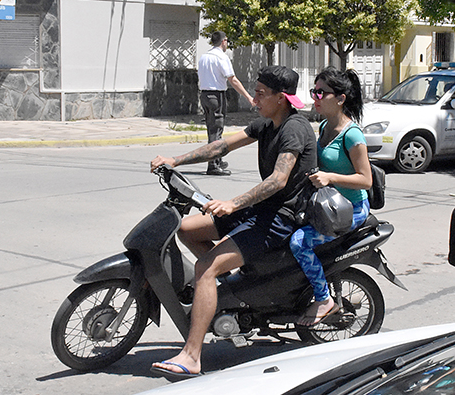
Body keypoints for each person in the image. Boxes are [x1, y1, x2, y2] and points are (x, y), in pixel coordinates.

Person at [149, 65, 317, 379]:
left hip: (281, 218)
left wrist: (233, 203)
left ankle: (192, 356)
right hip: (261, 210)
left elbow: (279, 180)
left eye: (260, 94)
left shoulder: (294, 128)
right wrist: (176, 159)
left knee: (205, 267)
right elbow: (223, 145)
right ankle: (226, 288)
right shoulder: (267, 123)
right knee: (185, 229)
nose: (254, 99)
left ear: (281, 98)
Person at [290, 66, 372, 326]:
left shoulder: (352, 134)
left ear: (340, 99)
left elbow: (365, 179)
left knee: (299, 242)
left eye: (321, 93)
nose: (315, 97)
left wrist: (331, 177)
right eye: (314, 91)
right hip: (328, 206)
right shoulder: (324, 125)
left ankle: (324, 298)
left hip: (352, 209)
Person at [198, 31, 255, 176]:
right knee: (216, 131)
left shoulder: (204, 57)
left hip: (204, 94)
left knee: (212, 128)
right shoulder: (221, 57)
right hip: (216, 95)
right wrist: (248, 97)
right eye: (227, 41)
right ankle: (213, 164)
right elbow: (232, 79)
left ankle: (218, 158)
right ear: (223, 41)